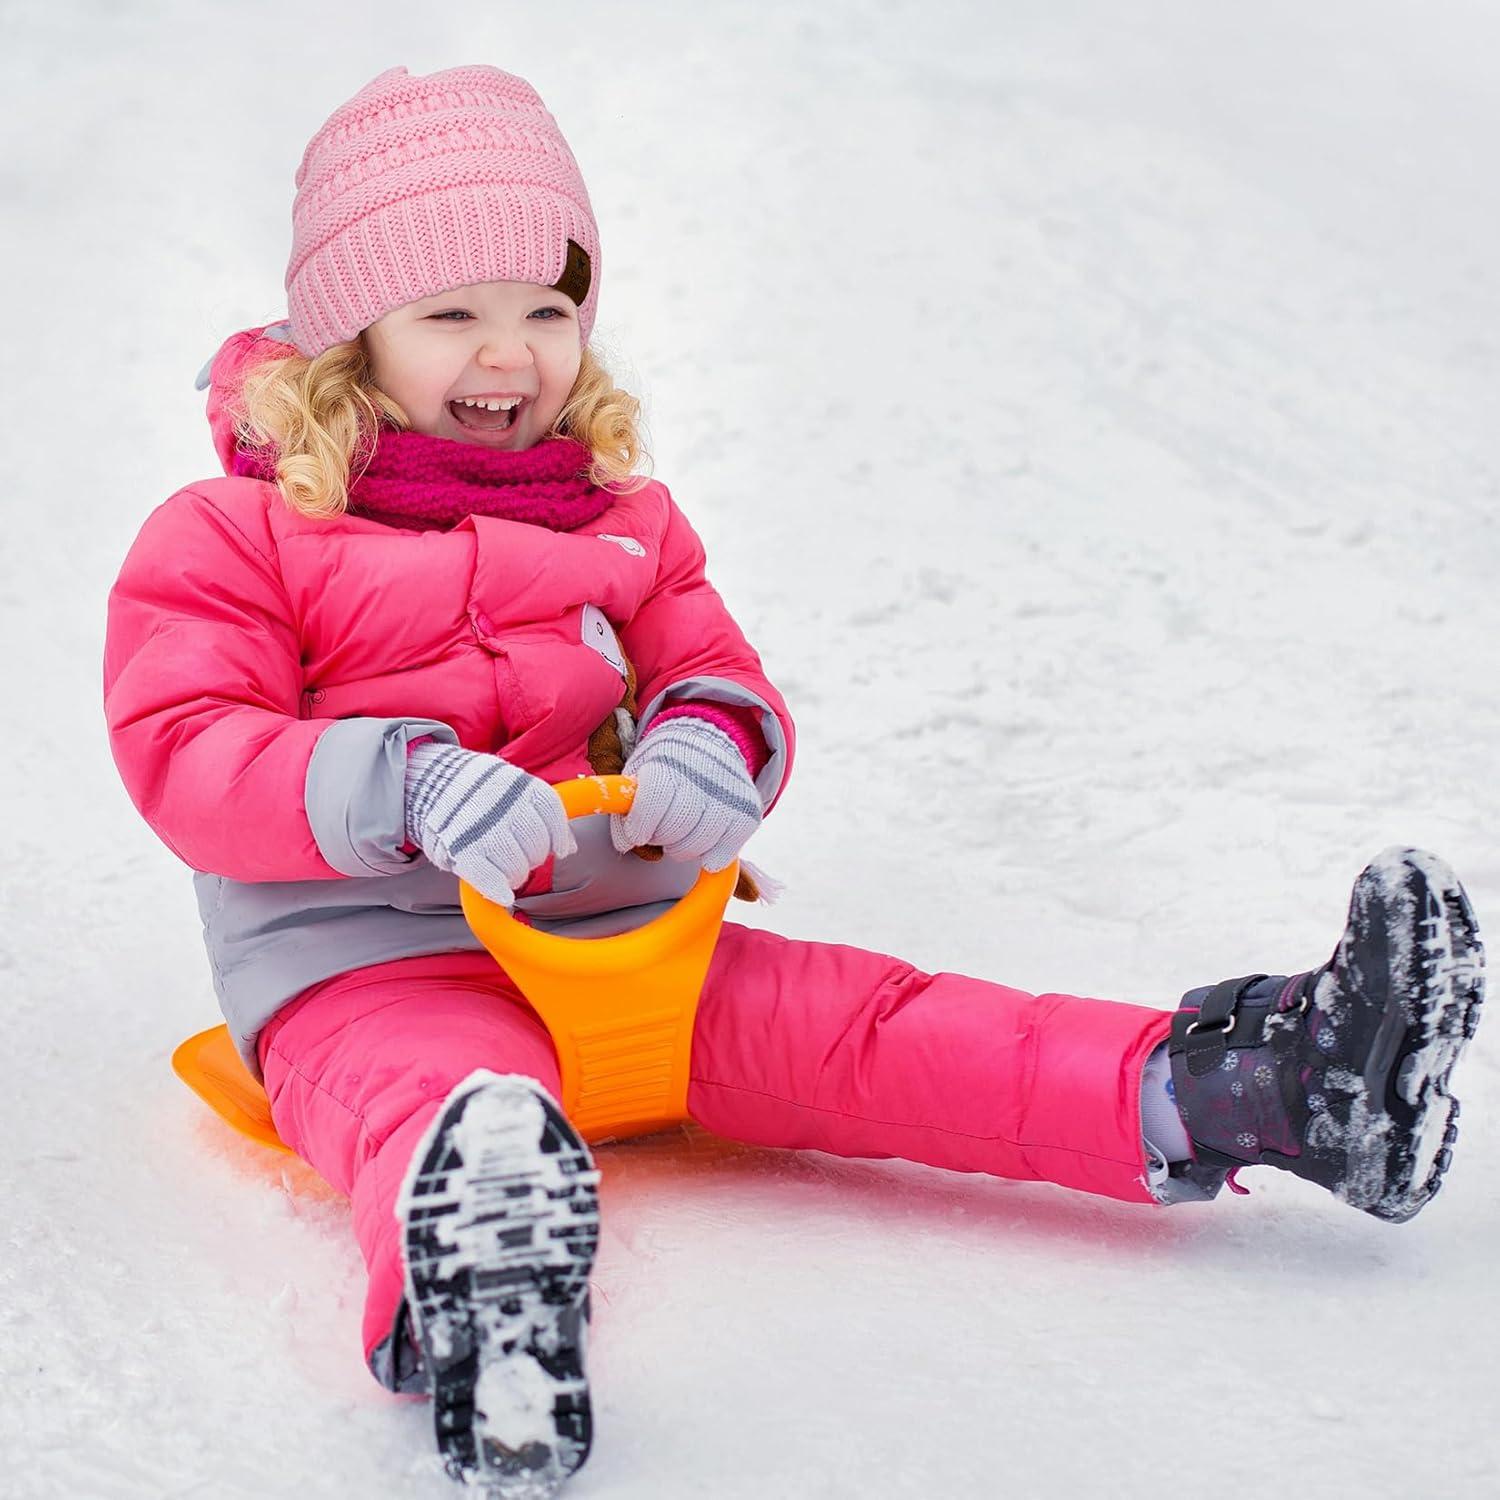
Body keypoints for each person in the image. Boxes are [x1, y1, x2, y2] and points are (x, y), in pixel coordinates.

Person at [102, 63, 1486, 1499]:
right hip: (370, 967)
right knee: (450, 1102)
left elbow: (717, 671)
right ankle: (487, 1305)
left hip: (623, 941)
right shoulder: (235, 534)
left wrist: (715, 743)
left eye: (548, 311)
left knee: (875, 1024)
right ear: (351, 335)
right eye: (452, 314)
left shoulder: (620, 518)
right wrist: (401, 784)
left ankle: (1269, 1090)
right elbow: (184, 743)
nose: (509, 354)